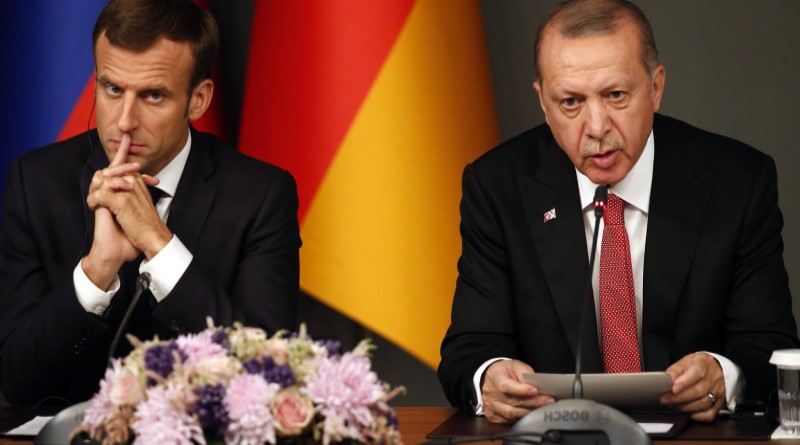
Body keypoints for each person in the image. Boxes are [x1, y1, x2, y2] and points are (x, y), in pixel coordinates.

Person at [438, 0, 799, 424]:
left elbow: (771, 344)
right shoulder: (498, 187)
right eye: (570, 102)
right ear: (543, 103)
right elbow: (469, 351)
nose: (596, 127)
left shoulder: (736, 182)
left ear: (656, 87)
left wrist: (724, 375)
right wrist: (489, 379)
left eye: (615, 95)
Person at [0, 0, 300, 406]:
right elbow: (15, 380)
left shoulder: (261, 196)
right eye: (112, 89)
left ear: (198, 99)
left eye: (153, 95)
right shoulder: (36, 182)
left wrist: (160, 245)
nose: (124, 121)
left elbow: (267, 375)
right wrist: (97, 270)